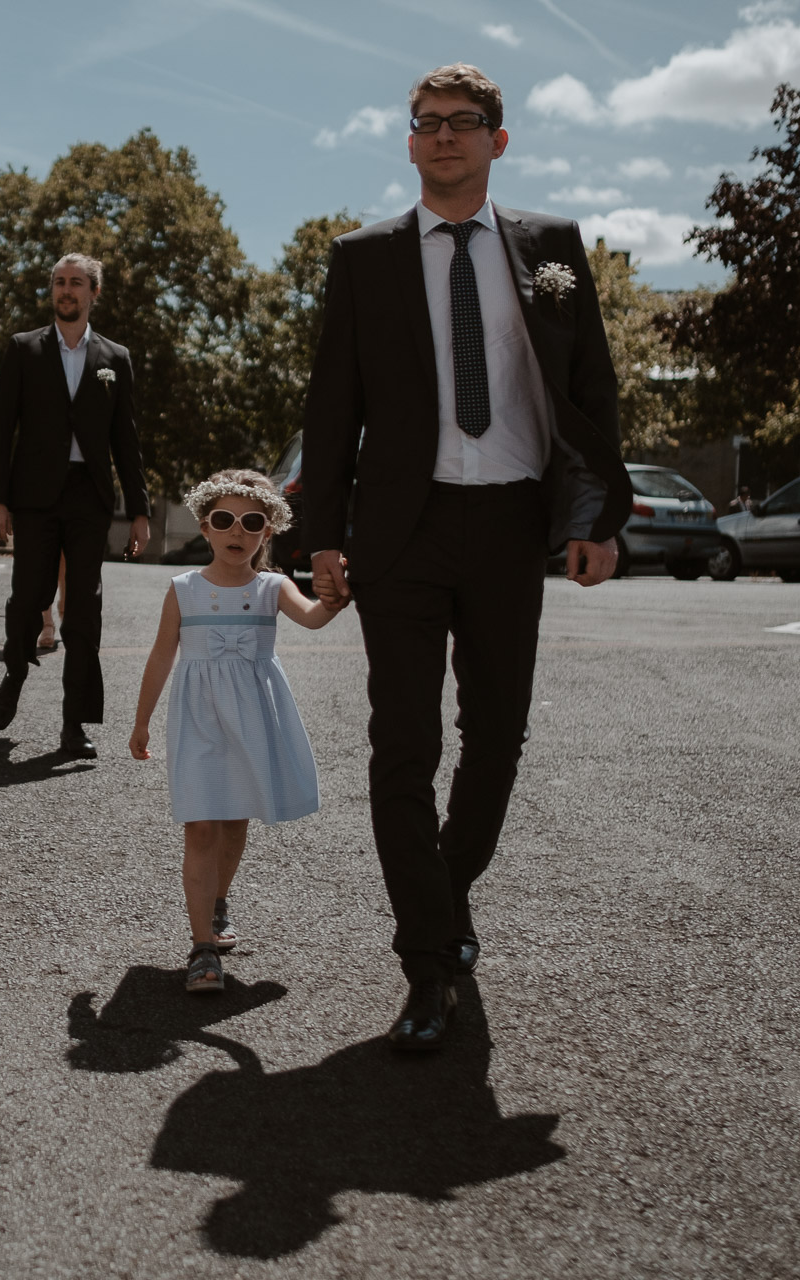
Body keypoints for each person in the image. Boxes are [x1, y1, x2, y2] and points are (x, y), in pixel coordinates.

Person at [301, 63, 631, 1051]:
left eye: (461, 122)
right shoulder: (360, 259)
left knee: (496, 736)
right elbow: (331, 407)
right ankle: (427, 958)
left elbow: (590, 390)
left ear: (496, 137)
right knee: (401, 747)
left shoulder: (551, 250)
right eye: (425, 123)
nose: (441, 136)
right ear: (408, 143)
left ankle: (442, 893)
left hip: (508, 527)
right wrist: (321, 530)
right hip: (397, 532)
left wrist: (596, 516)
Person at [130, 470, 340, 994]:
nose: (237, 531)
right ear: (205, 526)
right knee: (201, 826)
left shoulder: (273, 587)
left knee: (236, 820)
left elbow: (314, 618)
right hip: (198, 719)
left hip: (252, 719)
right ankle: (203, 949)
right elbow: (161, 656)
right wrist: (141, 719)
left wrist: (337, 594)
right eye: (224, 519)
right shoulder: (183, 589)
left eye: (252, 522)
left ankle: (217, 899)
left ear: (268, 532)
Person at [0, 253, 151, 758]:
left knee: (84, 608)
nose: (66, 290)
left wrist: (139, 510)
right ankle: (16, 668)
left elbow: (127, 439)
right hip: (33, 496)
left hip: (89, 496)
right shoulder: (23, 349)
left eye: (76, 282)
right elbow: (0, 431)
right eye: (59, 282)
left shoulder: (114, 358)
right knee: (27, 596)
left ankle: (74, 724)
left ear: (93, 292)